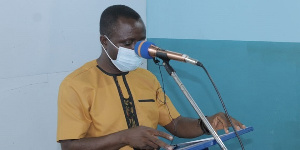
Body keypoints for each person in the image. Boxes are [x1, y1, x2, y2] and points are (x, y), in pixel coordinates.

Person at [57, 5, 246, 150]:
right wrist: (124, 137)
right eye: (128, 43)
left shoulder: (147, 78)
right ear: (104, 42)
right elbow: (69, 146)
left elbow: (176, 124)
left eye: (141, 42)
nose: (137, 49)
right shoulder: (76, 85)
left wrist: (207, 123)